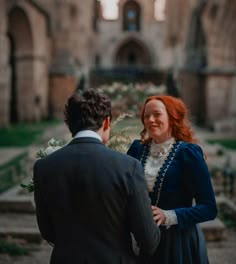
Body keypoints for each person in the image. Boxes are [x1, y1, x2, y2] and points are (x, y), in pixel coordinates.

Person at [33, 88, 160, 264]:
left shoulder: (44, 167)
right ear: (107, 122)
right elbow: (148, 239)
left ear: (69, 124)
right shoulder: (128, 167)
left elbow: (47, 231)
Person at [127, 95, 217, 264]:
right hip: (143, 238)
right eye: (146, 116)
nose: (150, 120)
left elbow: (209, 208)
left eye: (157, 114)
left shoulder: (188, 153)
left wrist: (167, 216)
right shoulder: (137, 149)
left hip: (178, 243)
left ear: (172, 117)